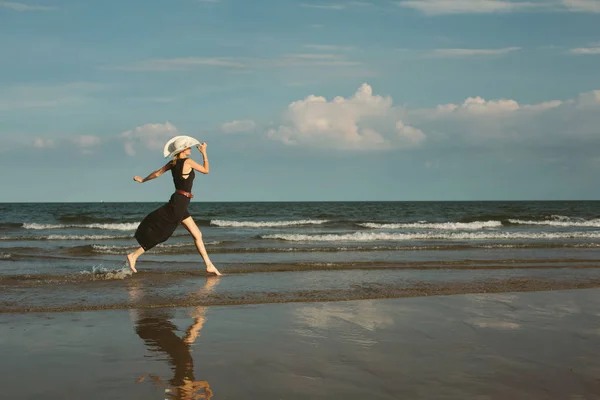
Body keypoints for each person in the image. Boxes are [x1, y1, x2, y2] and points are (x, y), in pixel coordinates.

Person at [126, 135, 221, 276]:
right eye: (188, 147)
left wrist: (143, 180)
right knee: (163, 233)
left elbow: (157, 173)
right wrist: (204, 153)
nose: (190, 148)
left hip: (180, 202)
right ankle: (134, 255)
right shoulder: (188, 162)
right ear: (183, 150)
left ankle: (209, 265)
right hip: (179, 203)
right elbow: (206, 170)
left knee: (197, 234)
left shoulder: (173, 163)